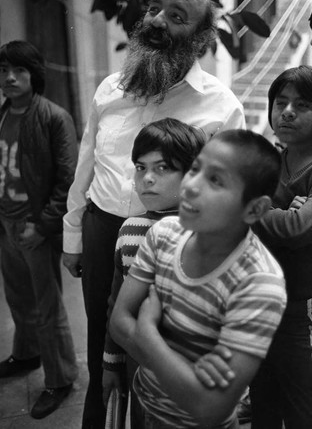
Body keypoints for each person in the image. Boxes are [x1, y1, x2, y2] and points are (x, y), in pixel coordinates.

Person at [63, 0, 246, 429]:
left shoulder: (220, 106)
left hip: (174, 244)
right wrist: (72, 233)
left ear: (201, 37)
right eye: (155, 9)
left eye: (177, 16)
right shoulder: (110, 89)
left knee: (158, 349)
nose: (159, 21)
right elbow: (86, 164)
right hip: (104, 229)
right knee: (102, 349)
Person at [110, 129, 287, 429]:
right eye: (195, 169)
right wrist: (190, 378)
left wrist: (148, 334)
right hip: (144, 406)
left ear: (254, 209)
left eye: (215, 180)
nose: (191, 186)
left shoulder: (258, 282)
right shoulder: (164, 233)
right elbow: (117, 323)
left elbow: (210, 409)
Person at [0, 40, 79, 419]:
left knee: (47, 306)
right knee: (19, 299)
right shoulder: (1, 115)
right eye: (4, 70)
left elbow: (67, 180)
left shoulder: (54, 117)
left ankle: (60, 377)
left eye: (18, 70)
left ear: (33, 75)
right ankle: (27, 354)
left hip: (35, 226)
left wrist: (42, 225)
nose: (9, 77)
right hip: (5, 224)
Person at [102, 118, 205, 427]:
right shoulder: (130, 230)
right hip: (139, 372)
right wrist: (111, 364)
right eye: (140, 167)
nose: (147, 179)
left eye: (163, 168)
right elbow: (116, 304)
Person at [248, 66, 312, 429]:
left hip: (300, 310)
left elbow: (295, 229)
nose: (287, 111)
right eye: (280, 102)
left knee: (302, 405)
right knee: (263, 401)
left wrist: (253, 206)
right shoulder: (271, 161)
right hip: (259, 301)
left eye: (302, 104)